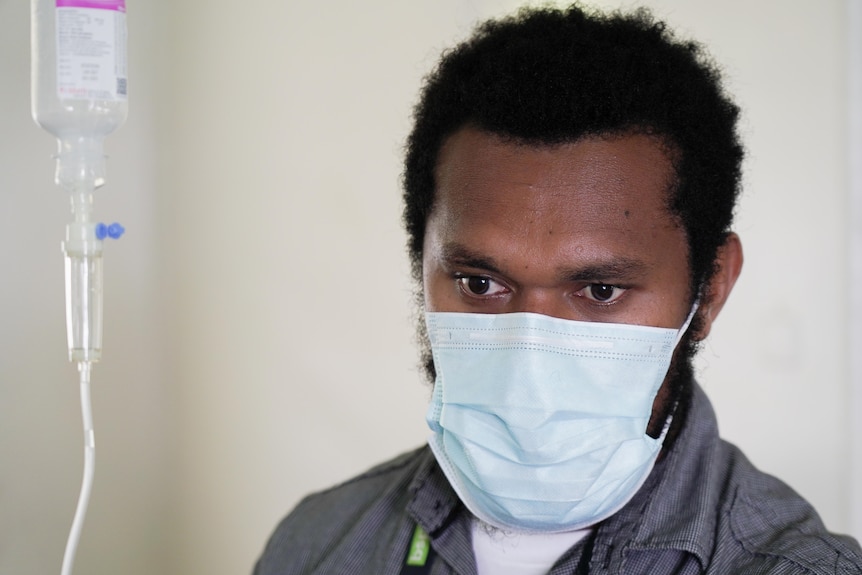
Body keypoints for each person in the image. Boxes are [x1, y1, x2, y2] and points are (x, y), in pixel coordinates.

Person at [253, 4, 862, 574]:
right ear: (422, 266)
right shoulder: (316, 544)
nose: (529, 367)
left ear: (709, 290)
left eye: (599, 290)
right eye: (480, 282)